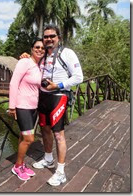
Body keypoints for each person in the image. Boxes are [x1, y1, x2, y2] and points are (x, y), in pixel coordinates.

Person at [31, 24, 83, 186]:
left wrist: (58, 85)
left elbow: (78, 77)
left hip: (58, 96)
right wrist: (26, 56)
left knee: (58, 135)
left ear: (58, 38)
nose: (49, 39)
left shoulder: (67, 53)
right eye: (46, 36)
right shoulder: (43, 55)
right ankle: (48, 159)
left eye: (52, 36)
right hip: (43, 97)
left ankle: (60, 172)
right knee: (44, 130)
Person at [8, 38, 45, 181]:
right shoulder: (24, 62)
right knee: (30, 138)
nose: (40, 50)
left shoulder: (38, 66)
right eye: (37, 47)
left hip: (33, 107)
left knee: (23, 137)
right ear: (31, 48)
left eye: (42, 48)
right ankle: (17, 167)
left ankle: (21, 163)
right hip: (22, 107)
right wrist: (12, 106)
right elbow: (13, 83)